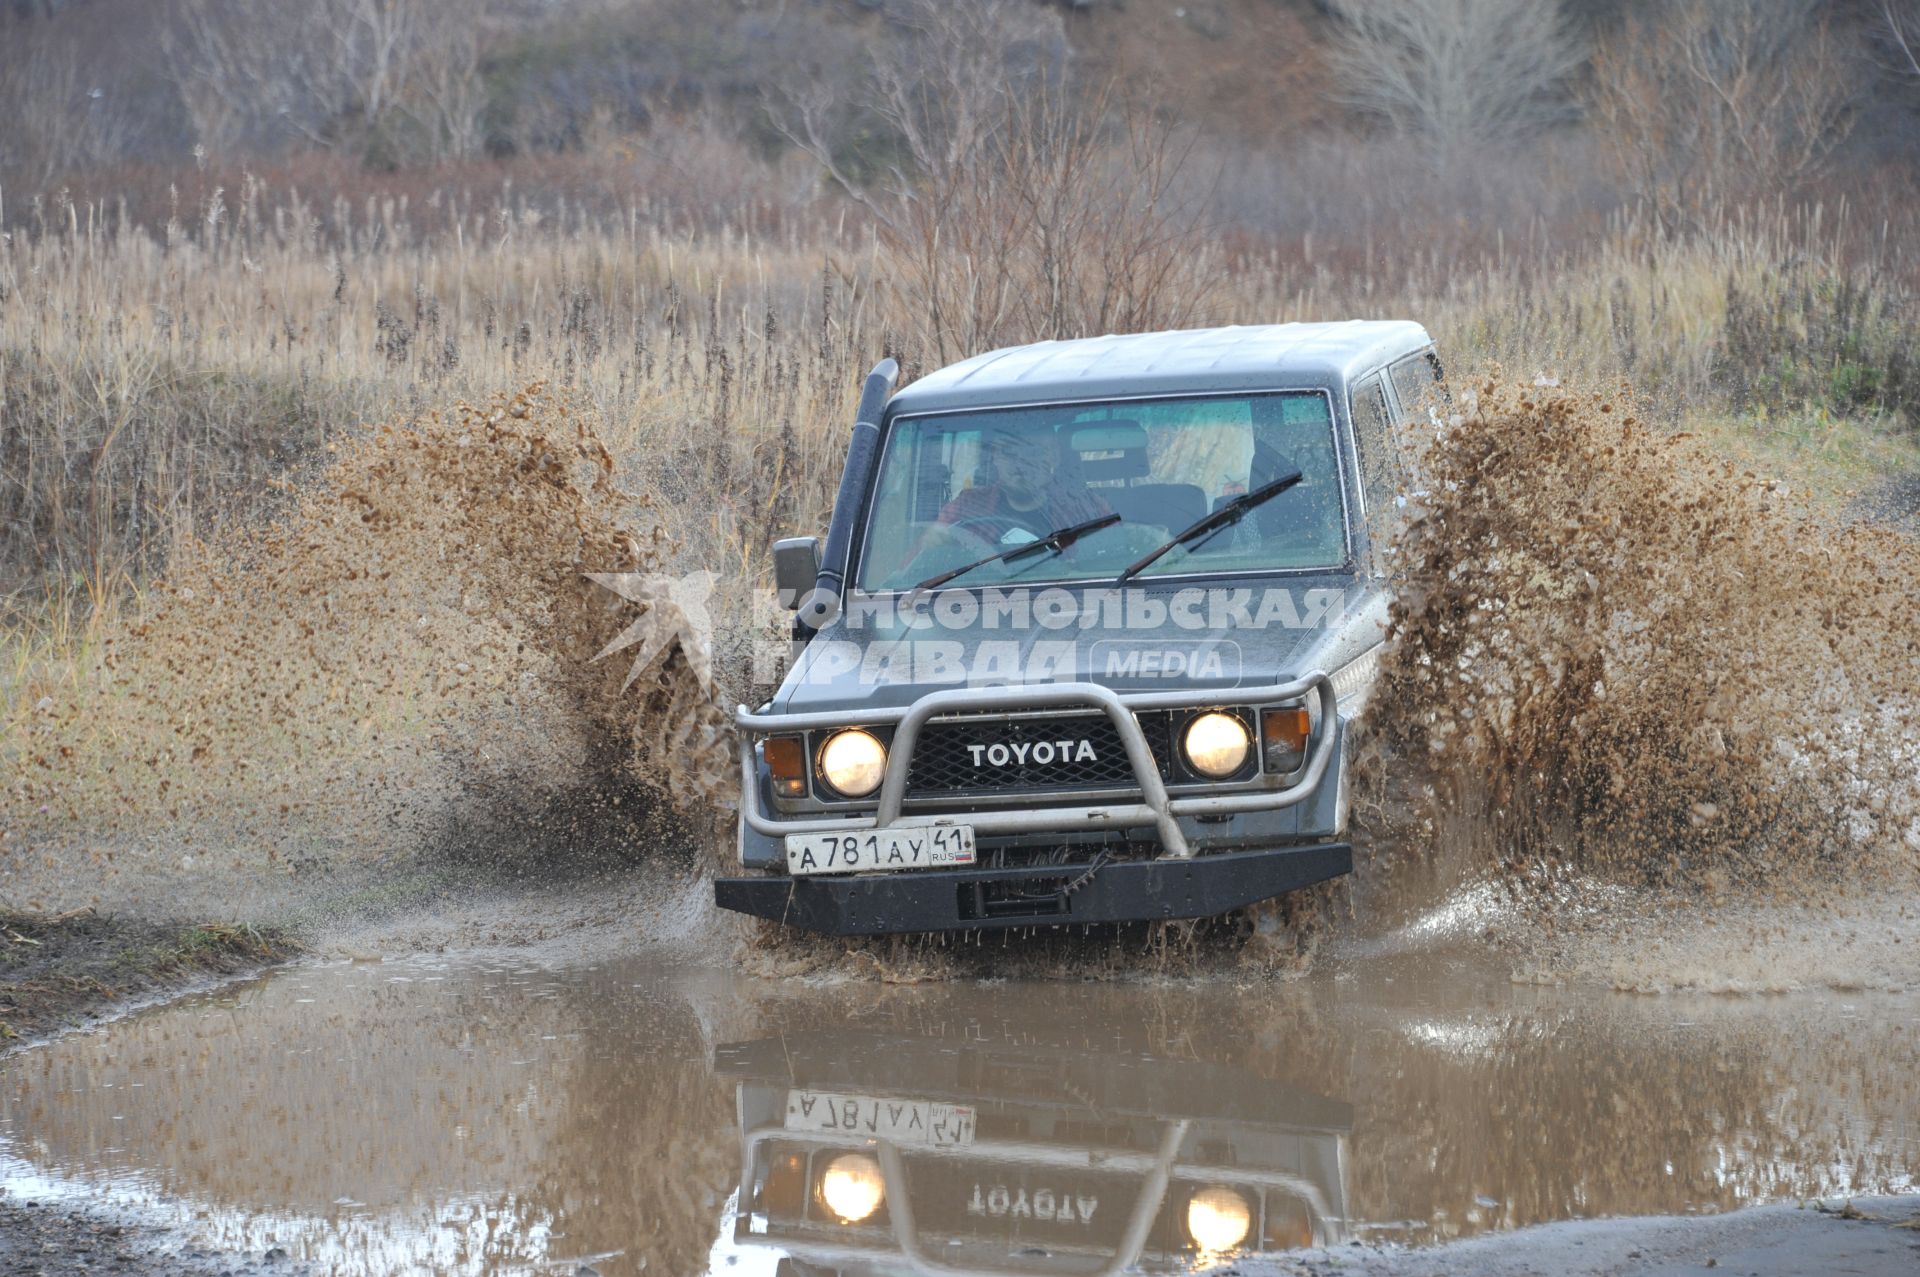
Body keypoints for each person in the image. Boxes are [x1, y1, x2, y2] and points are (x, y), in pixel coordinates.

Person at [935, 428, 1110, 545]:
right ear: (995, 457)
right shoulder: (966, 508)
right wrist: (936, 539)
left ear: (1054, 457)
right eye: (1009, 452)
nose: (1020, 463)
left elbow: (1116, 562)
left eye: (1033, 452)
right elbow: (922, 565)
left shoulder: (1088, 509)